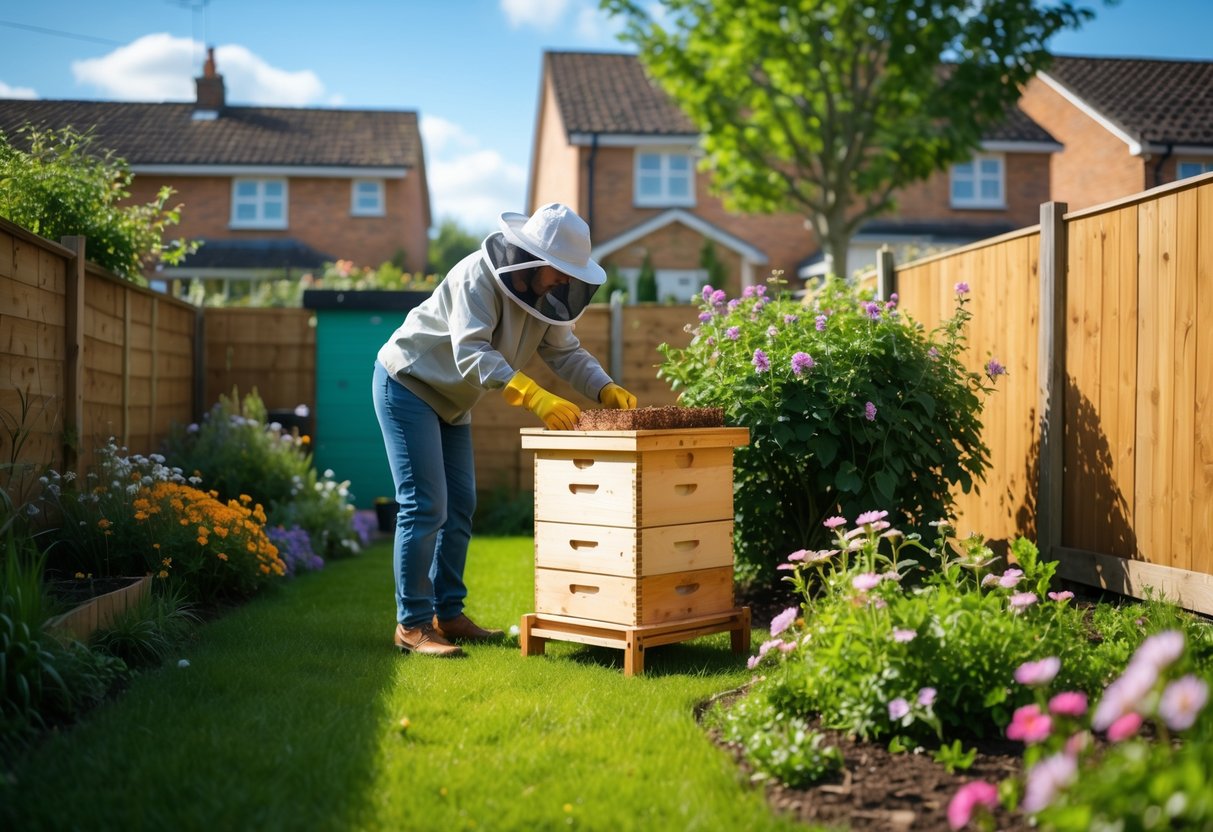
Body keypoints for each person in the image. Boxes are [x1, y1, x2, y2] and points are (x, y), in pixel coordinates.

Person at [372, 203, 638, 657]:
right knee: (426, 504)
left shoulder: (547, 299)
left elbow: (566, 353)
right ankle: (412, 625)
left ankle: (447, 614)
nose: (566, 282)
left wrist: (605, 388)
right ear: (535, 261)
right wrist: (533, 395)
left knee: (461, 507)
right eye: (561, 271)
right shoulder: (475, 276)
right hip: (409, 383)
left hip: (454, 402)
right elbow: (471, 351)